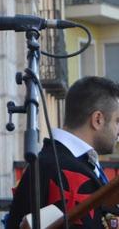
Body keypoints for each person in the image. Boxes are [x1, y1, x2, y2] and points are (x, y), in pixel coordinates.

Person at [6, 76, 119, 228]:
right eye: (117, 121)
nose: (118, 130)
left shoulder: (59, 160)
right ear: (97, 119)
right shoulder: (66, 171)